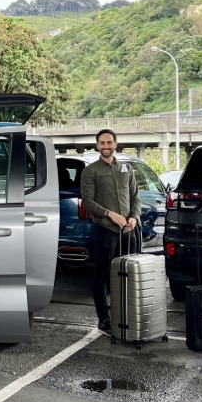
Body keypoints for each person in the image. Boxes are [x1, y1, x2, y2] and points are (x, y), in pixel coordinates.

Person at [80, 128, 140, 335]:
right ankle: (104, 319)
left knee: (127, 274)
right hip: (104, 230)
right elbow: (87, 201)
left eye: (109, 142)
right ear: (97, 146)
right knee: (102, 275)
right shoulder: (91, 171)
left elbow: (135, 197)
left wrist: (134, 217)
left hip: (128, 232)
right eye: (102, 143)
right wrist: (109, 214)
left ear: (115, 144)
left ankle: (124, 314)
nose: (106, 146)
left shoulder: (126, 168)